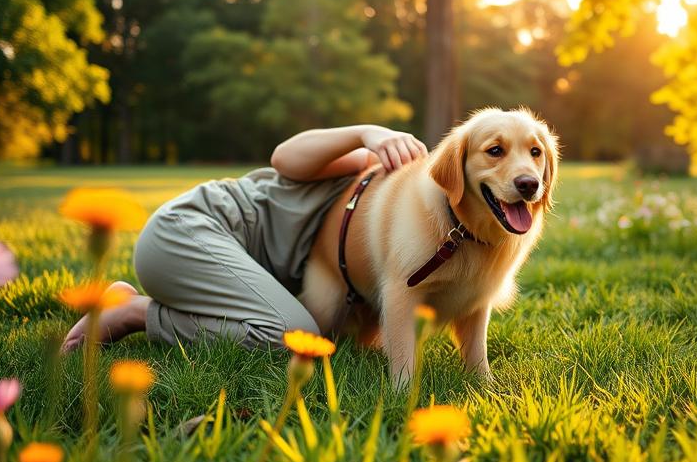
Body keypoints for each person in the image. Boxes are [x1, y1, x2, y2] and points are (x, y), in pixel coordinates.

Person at [60, 125, 427, 353]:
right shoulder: (366, 166)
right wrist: (367, 133)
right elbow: (284, 156)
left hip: (213, 255)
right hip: (190, 228)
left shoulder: (375, 234)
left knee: (306, 333)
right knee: (291, 334)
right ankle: (133, 313)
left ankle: (128, 303)